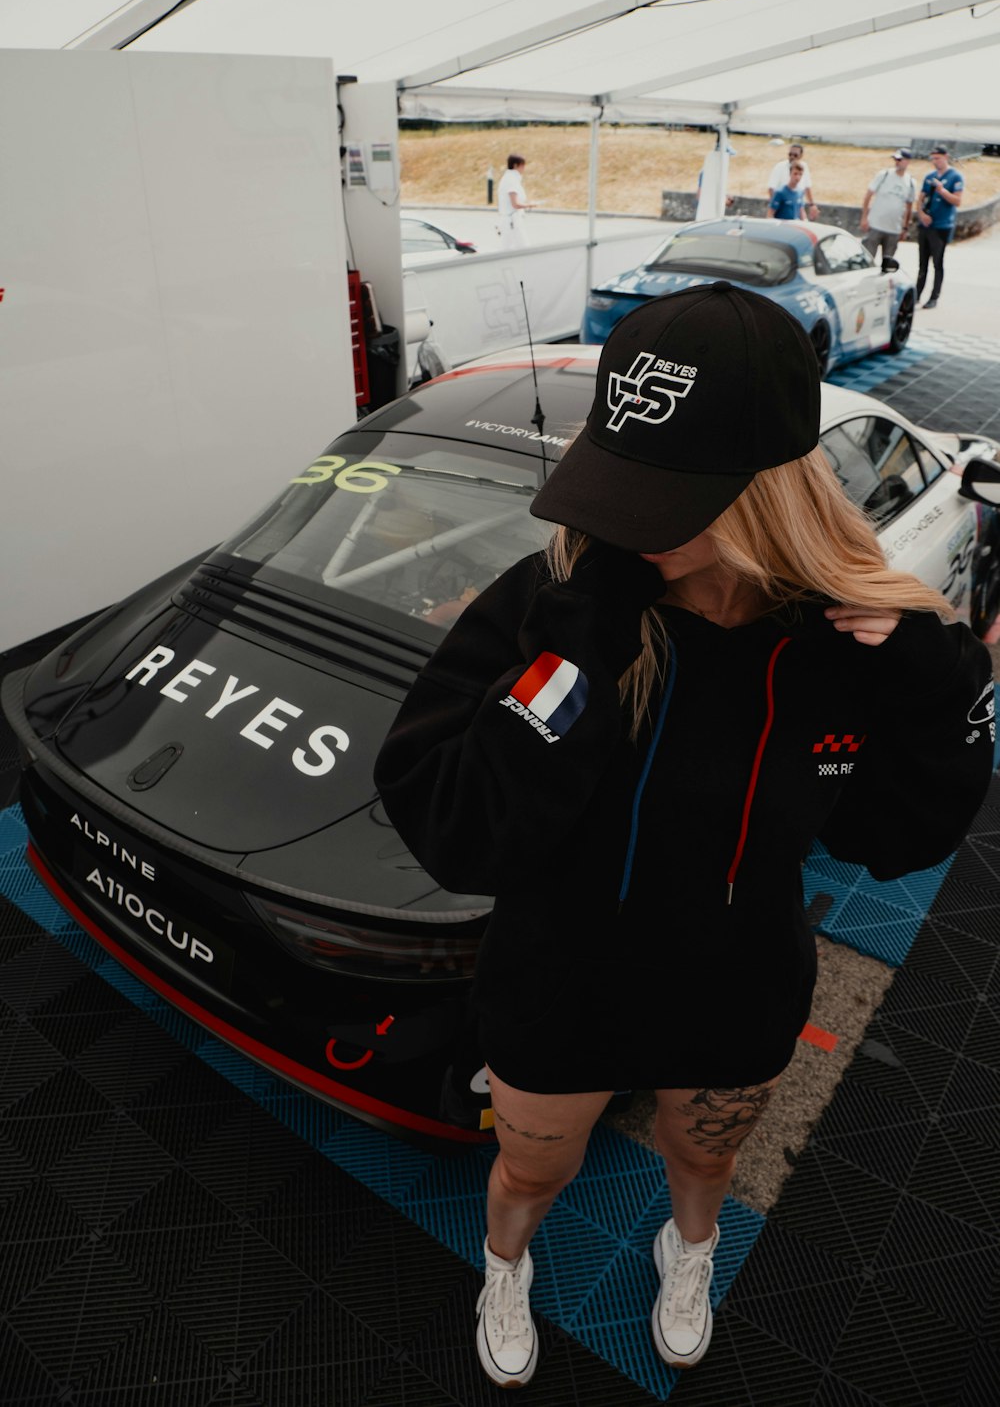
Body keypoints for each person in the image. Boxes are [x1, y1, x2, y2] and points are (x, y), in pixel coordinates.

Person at [374, 284, 994, 1387]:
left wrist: (934, 693)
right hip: (558, 987)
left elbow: (897, 843)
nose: (621, 520)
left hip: (736, 985)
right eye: (619, 478)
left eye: (666, 496)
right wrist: (571, 669)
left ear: (771, 491)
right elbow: (454, 831)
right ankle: (504, 1266)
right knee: (525, 1175)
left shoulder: (844, 648)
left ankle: (687, 1249)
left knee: (703, 1164)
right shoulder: (554, 604)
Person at [916, 144, 964, 308]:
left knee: (937, 262)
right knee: (922, 263)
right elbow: (920, 198)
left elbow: (957, 201)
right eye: (933, 158)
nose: (935, 161)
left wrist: (942, 191)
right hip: (926, 224)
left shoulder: (955, 176)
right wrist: (921, 214)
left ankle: (934, 296)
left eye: (938, 158)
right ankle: (917, 294)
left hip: (942, 226)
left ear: (946, 157)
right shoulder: (930, 176)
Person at [860, 148, 916, 262]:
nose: (897, 162)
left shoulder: (910, 182)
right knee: (867, 260)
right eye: (896, 159)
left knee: (888, 263)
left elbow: (909, 207)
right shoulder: (884, 175)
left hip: (893, 229)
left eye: (900, 159)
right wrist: (864, 217)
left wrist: (905, 227)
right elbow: (868, 196)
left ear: (907, 161)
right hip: (876, 225)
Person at [768, 142, 819, 220]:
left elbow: (807, 187)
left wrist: (812, 205)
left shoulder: (804, 167)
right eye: (790, 154)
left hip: (796, 204)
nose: (792, 157)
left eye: (795, 155)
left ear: (801, 156)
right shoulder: (780, 166)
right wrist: (776, 205)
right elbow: (771, 188)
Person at [497, 154, 533, 249]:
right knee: (521, 248)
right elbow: (515, 204)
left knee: (508, 249)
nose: (523, 169)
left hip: (510, 220)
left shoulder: (509, 178)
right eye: (522, 166)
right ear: (515, 165)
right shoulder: (511, 180)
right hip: (512, 221)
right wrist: (529, 205)